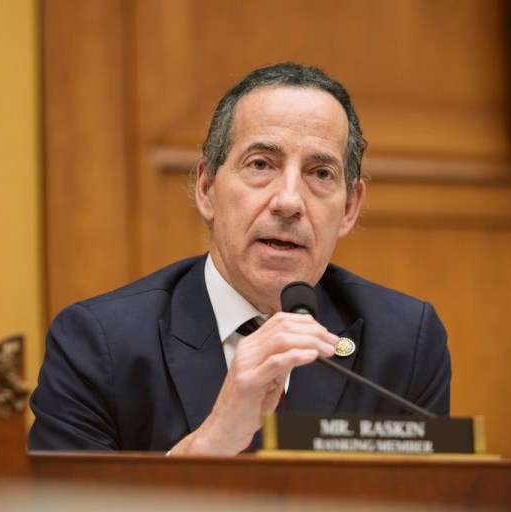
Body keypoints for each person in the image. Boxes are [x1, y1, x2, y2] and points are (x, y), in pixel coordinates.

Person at [28, 62, 451, 455]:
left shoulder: (404, 344)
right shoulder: (99, 346)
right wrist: (211, 443)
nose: (288, 202)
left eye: (320, 173)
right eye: (261, 164)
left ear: (350, 208)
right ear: (207, 188)